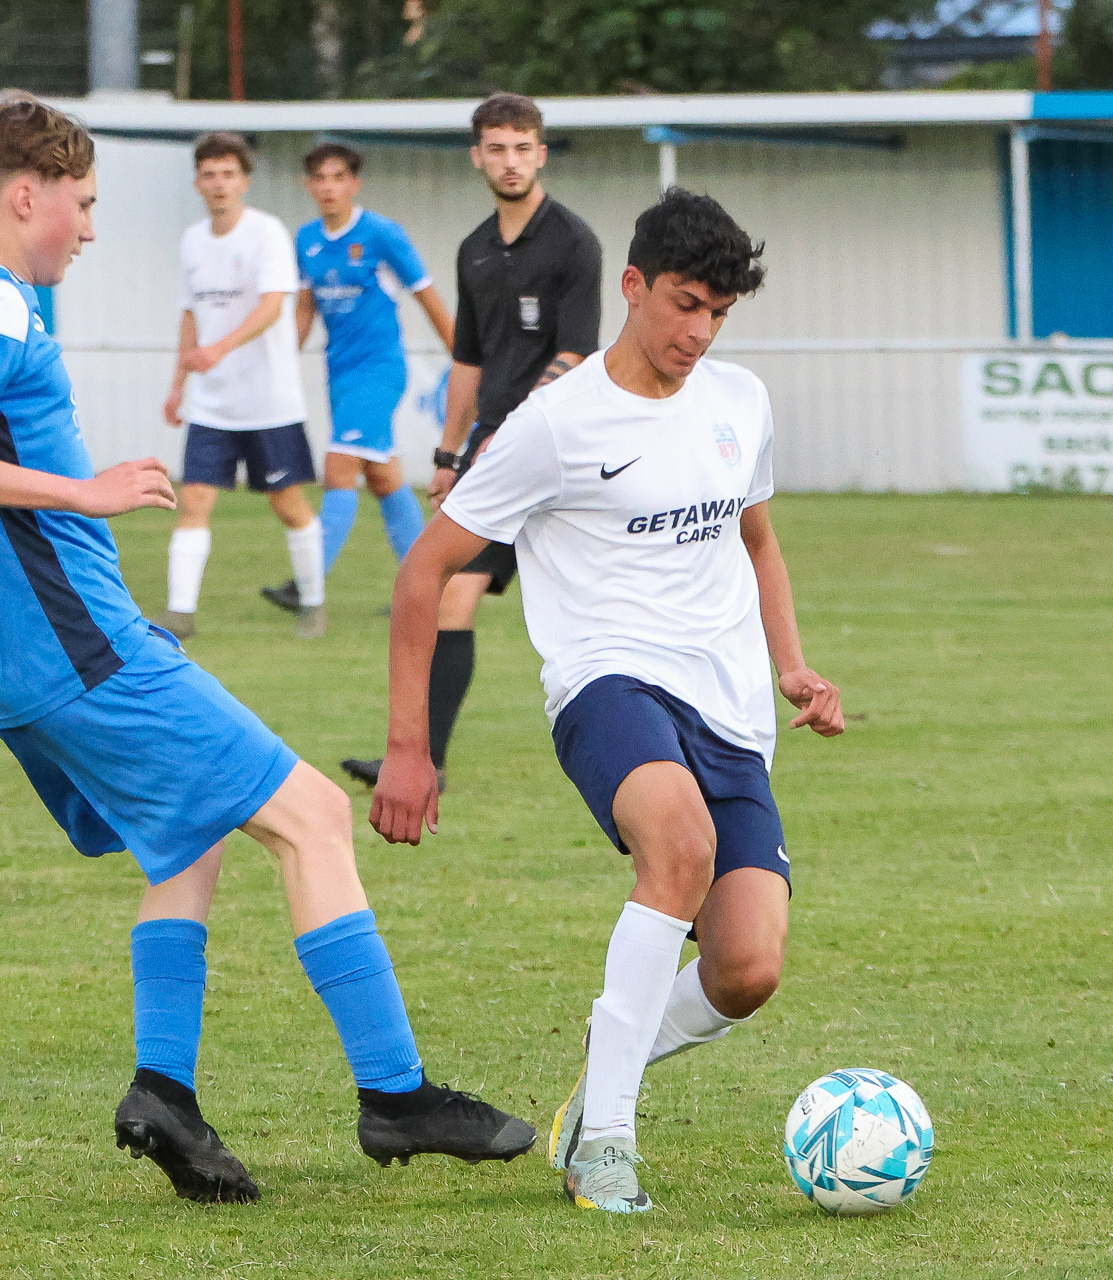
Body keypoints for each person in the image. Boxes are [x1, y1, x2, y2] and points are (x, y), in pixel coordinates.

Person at [0, 94, 535, 1207]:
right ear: (25, 194)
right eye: (81, 204)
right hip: (90, 653)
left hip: (25, 669)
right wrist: (84, 492)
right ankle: (396, 1092)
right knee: (315, 815)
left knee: (188, 837)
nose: (88, 229)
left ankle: (164, 1091)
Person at [368, 189, 844, 1214]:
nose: (699, 332)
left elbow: (757, 541)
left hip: (729, 707)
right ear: (632, 285)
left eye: (719, 312)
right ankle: (607, 1148)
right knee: (677, 846)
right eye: (684, 304)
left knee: (747, 966)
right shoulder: (554, 425)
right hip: (607, 681)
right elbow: (424, 570)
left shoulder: (740, 401)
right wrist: (409, 748)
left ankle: (610, 1057)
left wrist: (793, 666)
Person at [340, 92, 601, 792]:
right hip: (491, 450)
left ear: (541, 154)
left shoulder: (574, 243)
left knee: (601, 596)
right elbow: (468, 362)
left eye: (522, 148)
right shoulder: (474, 250)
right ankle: (421, 760)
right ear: (477, 157)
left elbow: (577, 352)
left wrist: (511, 437)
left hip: (561, 451)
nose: (510, 161)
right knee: (449, 592)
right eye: (497, 149)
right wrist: (449, 454)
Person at [262, 142, 454, 610]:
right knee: (385, 479)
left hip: (380, 370)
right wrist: (280, 362)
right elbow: (305, 308)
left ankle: (306, 585)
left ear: (354, 184)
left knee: (339, 468)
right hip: (340, 374)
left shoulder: (382, 234)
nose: (328, 187)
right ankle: (428, 588)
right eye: (319, 179)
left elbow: (428, 298)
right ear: (309, 186)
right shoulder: (307, 238)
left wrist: (467, 362)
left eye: (338, 177)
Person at [154, 132, 326, 641]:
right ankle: (180, 614)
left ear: (244, 181)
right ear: (197, 183)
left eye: (228, 174)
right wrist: (178, 383)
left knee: (287, 504)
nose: (219, 184)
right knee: (193, 501)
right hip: (212, 404)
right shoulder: (192, 240)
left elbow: (273, 306)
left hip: (269, 402)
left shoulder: (267, 233)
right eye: (209, 174)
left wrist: (220, 349)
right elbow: (190, 314)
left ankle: (313, 603)